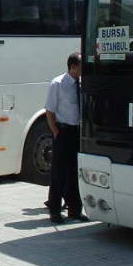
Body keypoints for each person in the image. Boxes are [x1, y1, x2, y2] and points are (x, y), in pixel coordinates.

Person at [45, 52, 87, 224]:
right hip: (63, 131)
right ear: (73, 66)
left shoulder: (82, 83)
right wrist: (55, 131)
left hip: (77, 132)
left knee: (75, 172)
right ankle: (55, 210)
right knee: (59, 173)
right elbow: (49, 110)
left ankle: (74, 209)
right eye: (81, 66)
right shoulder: (58, 84)